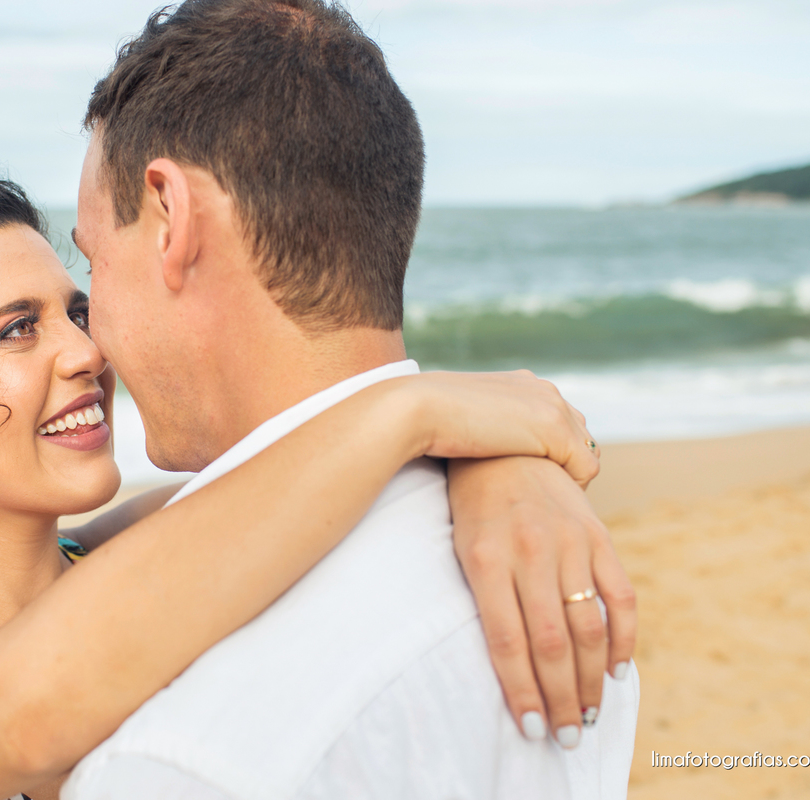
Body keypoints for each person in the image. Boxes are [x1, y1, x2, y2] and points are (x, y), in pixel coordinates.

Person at [0, 170, 604, 800]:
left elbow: (329, 456)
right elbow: (24, 710)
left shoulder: (148, 549)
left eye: (77, 312)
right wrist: (412, 417)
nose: (89, 353)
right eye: (18, 329)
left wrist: (503, 474)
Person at [60, 0, 639, 798]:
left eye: (93, 262)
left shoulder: (179, 752)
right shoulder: (564, 585)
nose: (90, 340)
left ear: (170, 217)